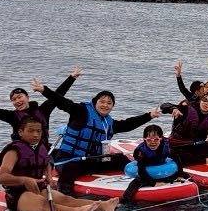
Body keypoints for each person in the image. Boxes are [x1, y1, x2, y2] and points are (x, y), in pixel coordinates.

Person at [45, 66, 161, 194]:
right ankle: (65, 197)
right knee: (70, 169)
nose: (105, 105)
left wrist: (149, 115)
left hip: (92, 160)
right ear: (95, 102)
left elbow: (128, 124)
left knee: (120, 159)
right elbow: (61, 102)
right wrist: (44, 90)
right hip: (69, 159)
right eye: (102, 102)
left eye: (109, 103)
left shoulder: (108, 123)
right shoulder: (81, 112)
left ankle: (146, 179)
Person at [0, 116, 119, 211]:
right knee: (45, 204)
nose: (35, 135)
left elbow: (47, 161)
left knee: (67, 199)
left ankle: (103, 205)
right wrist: (24, 180)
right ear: (21, 132)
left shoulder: (41, 147)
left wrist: (49, 176)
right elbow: (1, 177)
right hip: (18, 194)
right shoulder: (13, 151)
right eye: (31, 131)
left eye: (38, 131)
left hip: (39, 188)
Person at [123, 124, 180, 202]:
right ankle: (124, 202)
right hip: (146, 171)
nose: (153, 142)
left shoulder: (167, 146)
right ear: (144, 139)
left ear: (161, 139)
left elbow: (177, 159)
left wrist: (179, 174)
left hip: (162, 167)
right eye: (149, 140)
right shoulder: (142, 152)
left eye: (156, 139)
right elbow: (141, 171)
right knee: (135, 183)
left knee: (182, 174)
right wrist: (154, 183)